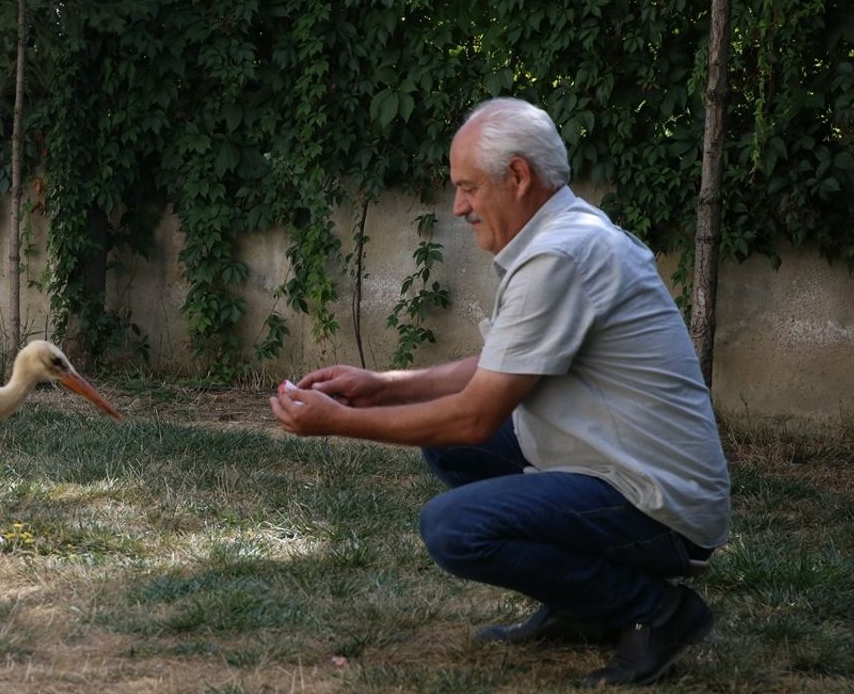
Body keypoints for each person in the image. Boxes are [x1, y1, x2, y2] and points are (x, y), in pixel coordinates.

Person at [270, 97, 730, 687]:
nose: (458, 206)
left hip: (660, 505)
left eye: (467, 187)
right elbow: (501, 362)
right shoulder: (566, 235)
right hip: (623, 468)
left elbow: (475, 418)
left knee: (455, 527)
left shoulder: (560, 253)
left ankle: (657, 612)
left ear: (518, 176)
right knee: (448, 450)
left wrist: (336, 421)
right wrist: (381, 386)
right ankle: (582, 604)